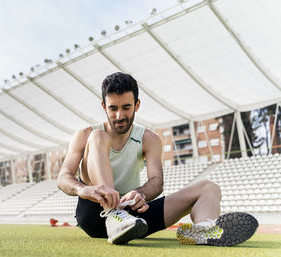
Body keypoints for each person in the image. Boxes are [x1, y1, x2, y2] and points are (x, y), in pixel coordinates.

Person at [57, 72, 258, 246]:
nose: (119, 115)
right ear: (104, 106)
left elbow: (157, 182)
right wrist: (83, 189)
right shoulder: (86, 134)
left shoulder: (149, 139)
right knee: (99, 137)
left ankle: (204, 230)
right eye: (113, 108)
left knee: (209, 187)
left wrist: (140, 194)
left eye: (126, 107)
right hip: (95, 214)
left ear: (137, 105)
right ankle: (112, 214)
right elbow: (63, 177)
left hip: (132, 220)